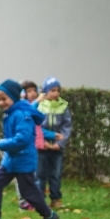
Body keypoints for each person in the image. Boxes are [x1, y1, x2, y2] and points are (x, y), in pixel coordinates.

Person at [0, 80, 60, 219]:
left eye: (4, 99)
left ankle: (49, 215)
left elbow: (23, 138)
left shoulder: (22, 115)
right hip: (10, 160)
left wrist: (3, 144)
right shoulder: (11, 112)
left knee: (29, 193)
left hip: (23, 160)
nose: (1, 103)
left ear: (14, 97)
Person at [15, 80, 55, 211]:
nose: (32, 93)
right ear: (22, 94)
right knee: (21, 175)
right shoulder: (21, 106)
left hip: (32, 146)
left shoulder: (36, 107)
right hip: (22, 146)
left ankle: (33, 200)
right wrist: (38, 100)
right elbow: (28, 112)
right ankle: (23, 201)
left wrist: (52, 135)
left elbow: (38, 128)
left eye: (34, 90)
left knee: (33, 175)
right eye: (29, 91)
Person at [36, 76, 72, 209]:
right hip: (42, 148)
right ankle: (39, 200)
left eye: (58, 90)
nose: (56, 93)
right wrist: (42, 142)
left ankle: (56, 199)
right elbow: (36, 126)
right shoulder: (39, 105)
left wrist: (60, 144)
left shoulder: (63, 106)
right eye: (52, 90)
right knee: (40, 174)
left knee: (55, 174)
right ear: (45, 92)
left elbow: (67, 127)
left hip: (57, 148)